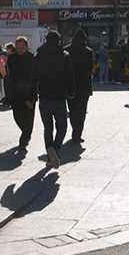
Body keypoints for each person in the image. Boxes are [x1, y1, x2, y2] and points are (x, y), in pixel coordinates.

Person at [33, 31, 75, 168]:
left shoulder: (39, 55)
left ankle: (50, 151)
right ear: (58, 41)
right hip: (59, 97)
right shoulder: (65, 56)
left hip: (44, 96)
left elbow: (33, 76)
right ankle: (54, 149)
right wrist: (71, 91)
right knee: (62, 127)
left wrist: (33, 92)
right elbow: (70, 76)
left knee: (48, 127)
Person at [6, 37, 36, 154]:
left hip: (29, 94)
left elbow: (34, 79)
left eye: (22, 46)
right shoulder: (11, 58)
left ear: (26, 46)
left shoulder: (32, 58)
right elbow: (10, 77)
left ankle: (24, 140)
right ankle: (26, 133)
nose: (20, 49)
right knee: (18, 117)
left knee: (29, 120)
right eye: (17, 46)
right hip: (16, 95)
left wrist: (31, 98)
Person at [66, 28, 94, 144]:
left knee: (72, 110)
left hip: (70, 85)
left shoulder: (66, 50)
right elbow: (90, 69)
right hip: (84, 86)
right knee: (82, 111)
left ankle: (74, 129)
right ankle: (77, 133)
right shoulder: (88, 51)